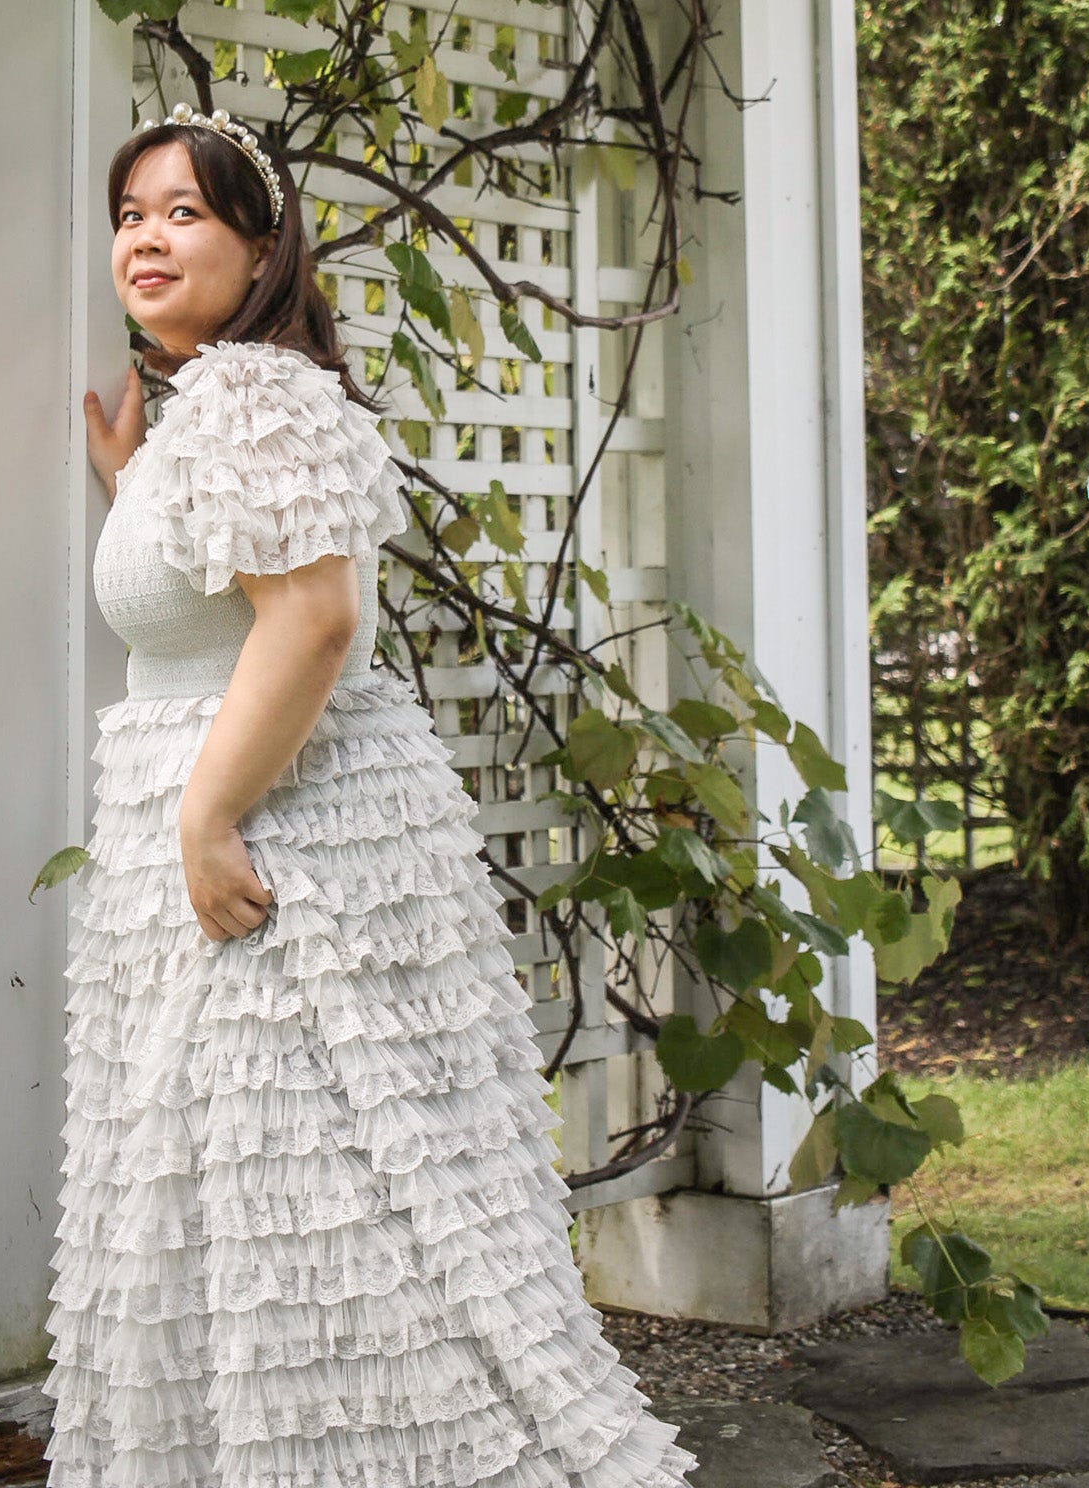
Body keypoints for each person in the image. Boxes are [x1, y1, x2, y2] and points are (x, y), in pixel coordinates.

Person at [42, 102, 697, 1488]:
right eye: (129, 216)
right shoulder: (214, 404)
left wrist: (209, 817)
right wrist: (138, 487)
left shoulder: (257, 394)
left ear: (262, 244)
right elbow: (229, 594)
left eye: (185, 214)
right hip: (252, 818)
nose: (145, 240)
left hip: (276, 841)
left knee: (321, 1201)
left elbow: (314, 620)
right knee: (264, 1194)